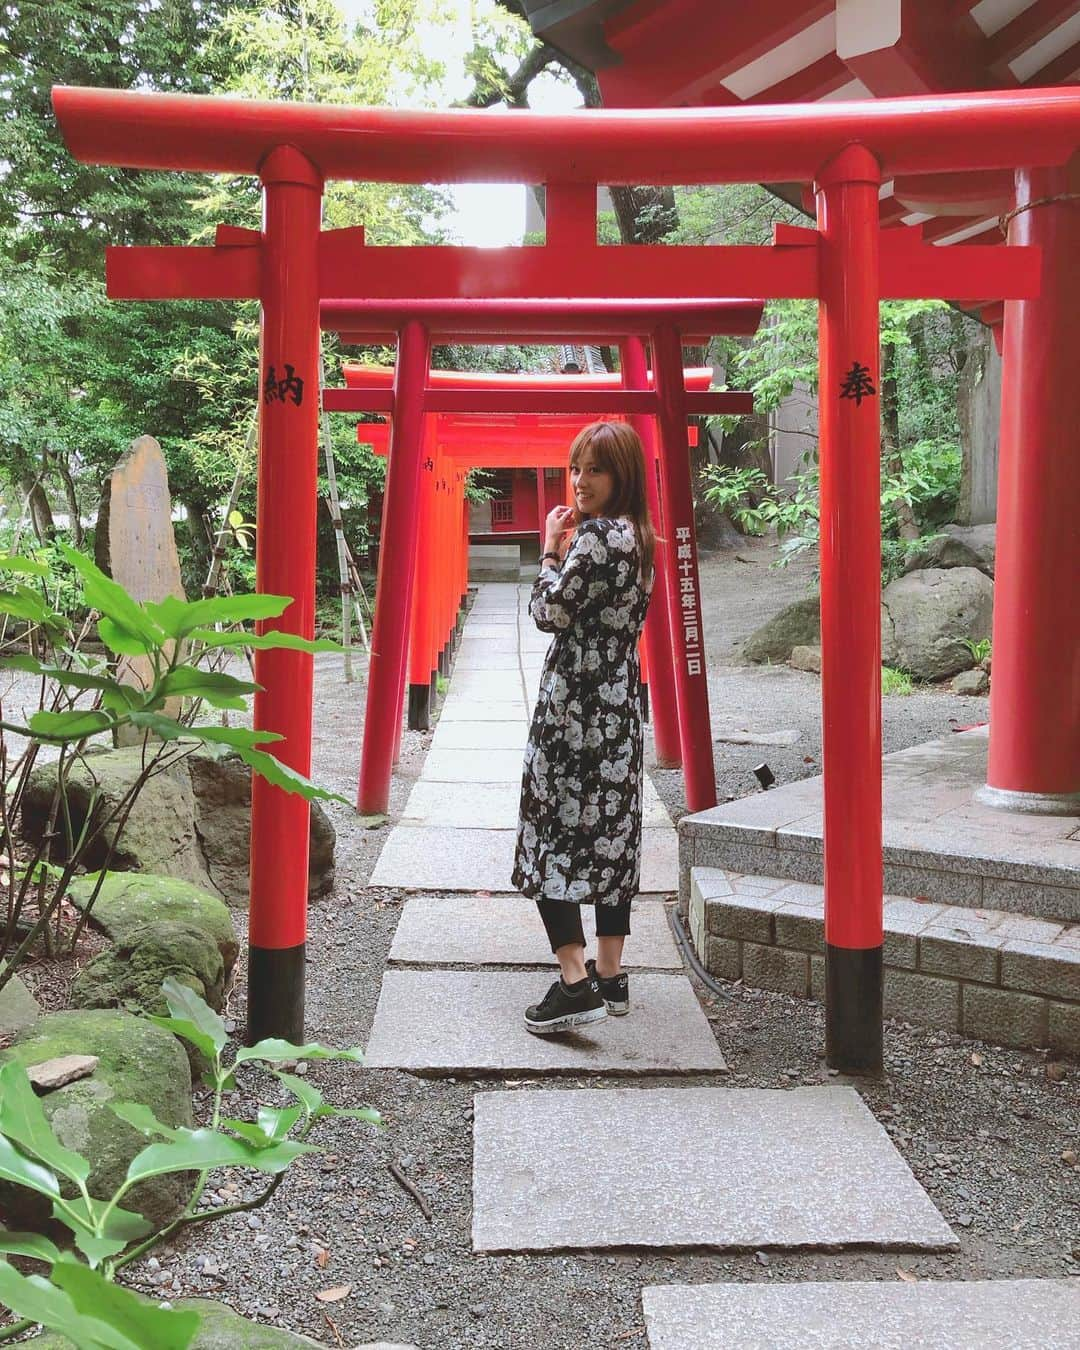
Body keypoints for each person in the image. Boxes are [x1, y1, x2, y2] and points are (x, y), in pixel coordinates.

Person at [512, 420, 655, 1034]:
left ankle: (574, 982)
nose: (581, 481)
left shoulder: (594, 538)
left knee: (551, 831)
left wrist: (549, 548)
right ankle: (611, 972)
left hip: (575, 709)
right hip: (619, 707)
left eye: (595, 469)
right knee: (610, 832)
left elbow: (549, 612)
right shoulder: (641, 537)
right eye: (576, 468)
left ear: (621, 474)